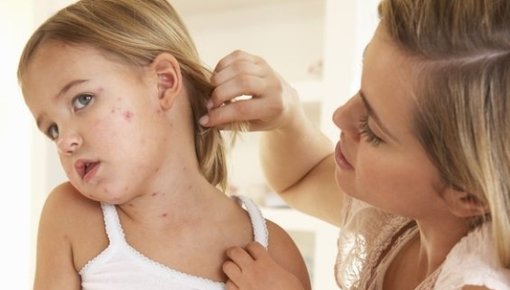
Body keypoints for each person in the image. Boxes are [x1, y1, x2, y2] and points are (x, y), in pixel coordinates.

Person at [202, 0, 510, 289]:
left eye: (373, 130)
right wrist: (287, 118)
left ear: (467, 193)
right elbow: (300, 178)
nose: (340, 116)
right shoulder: (404, 219)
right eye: (361, 92)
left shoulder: (477, 282)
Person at [17, 1, 311, 289]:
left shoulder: (273, 253)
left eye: (83, 100)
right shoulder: (72, 217)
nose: (65, 141)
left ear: (163, 83)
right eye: (52, 129)